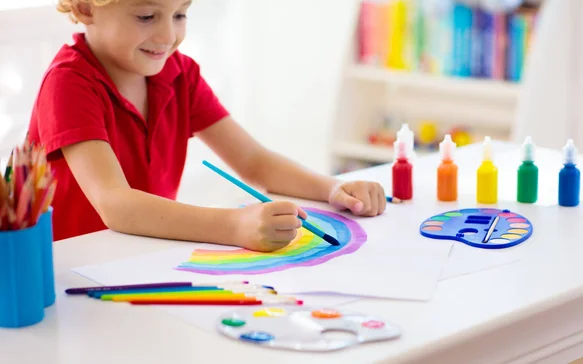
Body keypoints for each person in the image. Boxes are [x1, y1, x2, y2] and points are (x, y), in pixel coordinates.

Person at [27, 0, 387, 252]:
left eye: (180, 14)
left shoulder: (179, 73)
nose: (168, 35)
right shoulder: (68, 84)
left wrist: (333, 189)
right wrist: (234, 226)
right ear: (86, 8)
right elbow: (116, 204)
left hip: (140, 256)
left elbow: (254, 161)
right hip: (73, 272)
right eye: (147, 16)